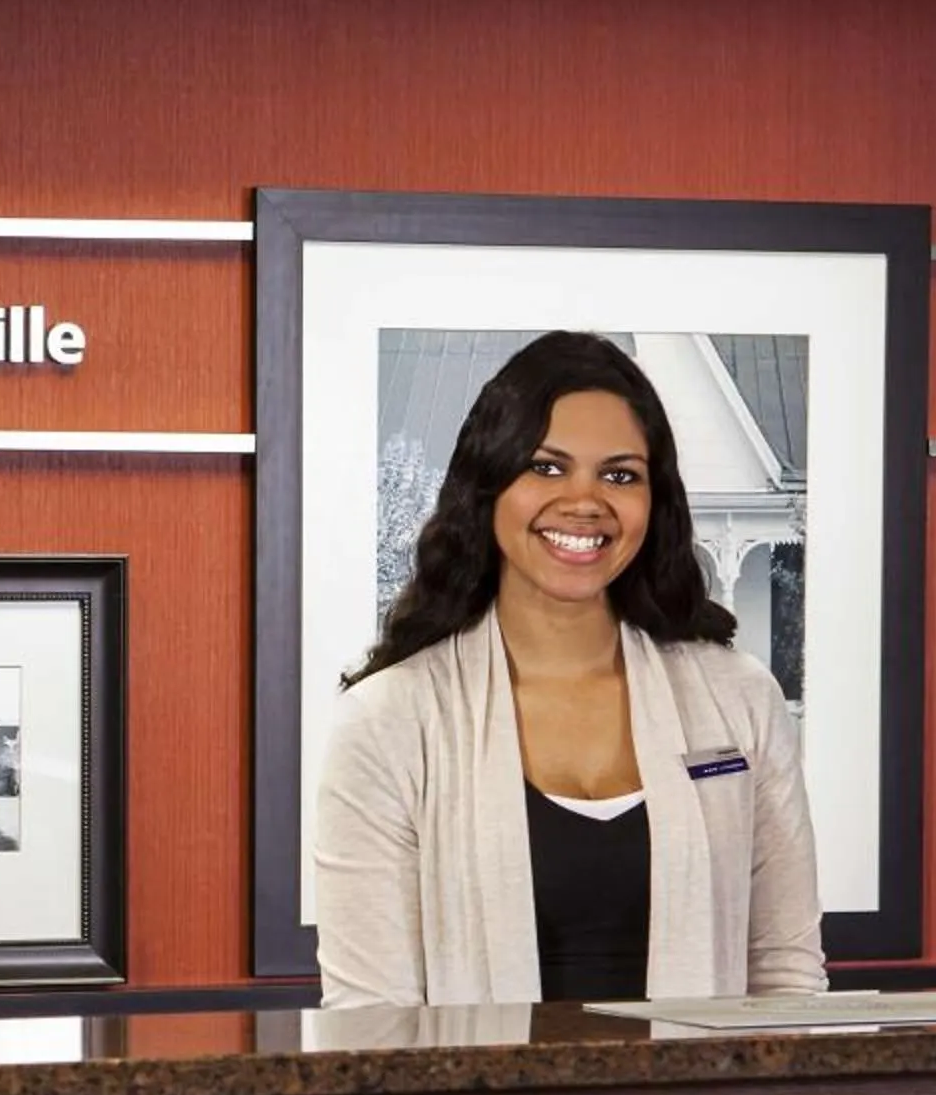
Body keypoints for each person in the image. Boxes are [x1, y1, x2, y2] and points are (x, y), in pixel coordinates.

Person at [315, 331, 825, 1007]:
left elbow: (786, 975)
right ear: (488, 484)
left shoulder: (740, 700)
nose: (585, 501)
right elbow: (371, 1020)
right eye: (547, 468)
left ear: (655, 502)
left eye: (620, 475)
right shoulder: (388, 722)